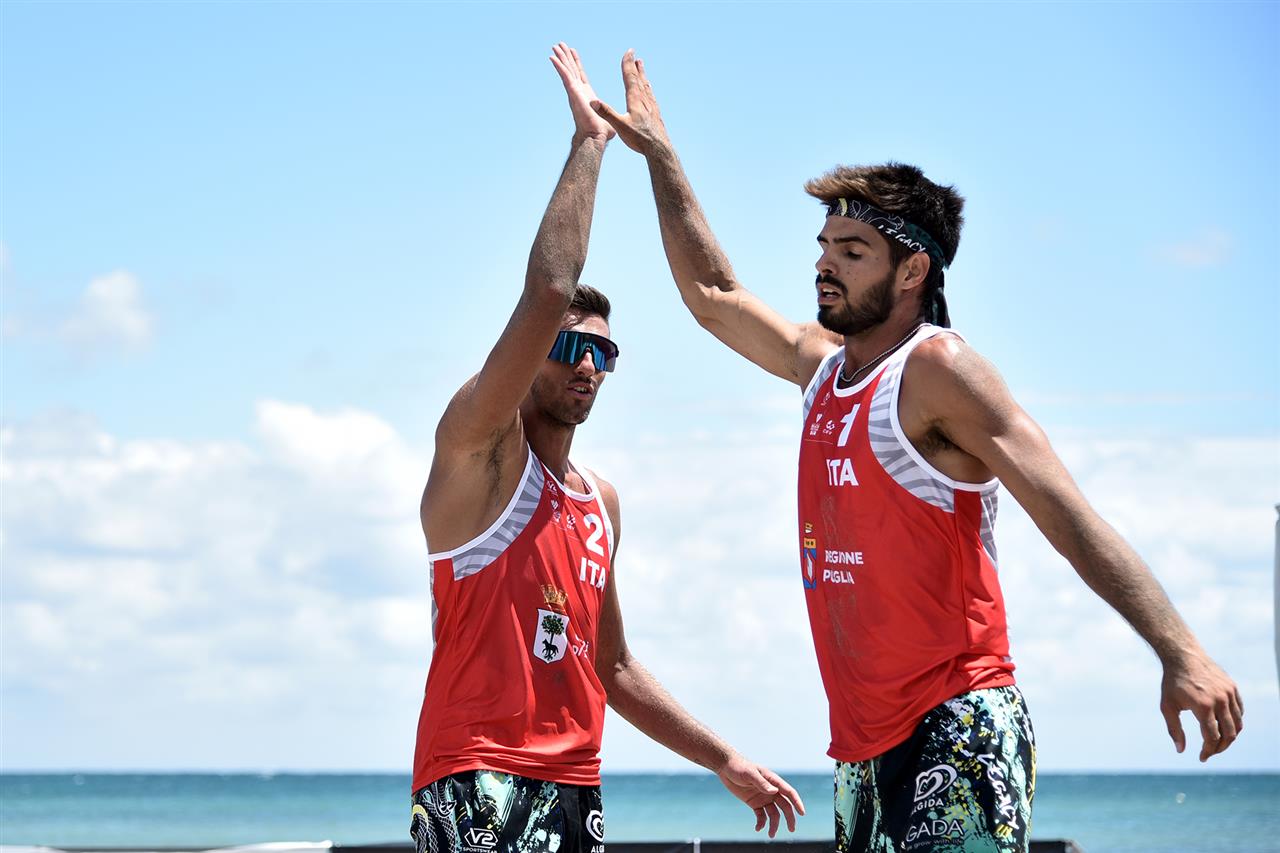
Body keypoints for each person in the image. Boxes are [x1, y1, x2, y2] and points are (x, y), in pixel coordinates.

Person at [591, 51, 1243, 852]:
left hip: (957, 725)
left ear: (912, 269)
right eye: (824, 243)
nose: (823, 262)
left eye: (852, 249)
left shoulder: (939, 371)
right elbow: (714, 294)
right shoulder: (822, 365)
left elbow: (1067, 513)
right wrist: (661, 158)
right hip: (863, 751)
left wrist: (1180, 650)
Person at [411, 44, 804, 852]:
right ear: (530, 357)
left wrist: (723, 758)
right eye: (568, 347)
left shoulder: (600, 503)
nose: (587, 365)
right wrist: (591, 144)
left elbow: (612, 664)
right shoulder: (478, 451)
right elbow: (549, 290)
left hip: (576, 785)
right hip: (478, 775)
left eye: (603, 352)